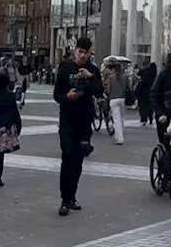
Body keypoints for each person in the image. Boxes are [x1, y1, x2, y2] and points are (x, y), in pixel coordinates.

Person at [54, 37, 102, 216]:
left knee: (78, 160)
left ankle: (72, 195)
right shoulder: (65, 67)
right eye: (80, 52)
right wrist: (67, 96)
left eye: (86, 53)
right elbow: (56, 94)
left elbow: (99, 91)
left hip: (84, 119)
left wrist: (90, 78)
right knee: (67, 157)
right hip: (67, 118)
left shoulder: (93, 70)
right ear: (75, 51)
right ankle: (64, 199)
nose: (82, 55)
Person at [102, 59, 126, 145]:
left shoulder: (111, 77)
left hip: (113, 99)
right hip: (122, 99)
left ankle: (119, 138)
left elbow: (108, 90)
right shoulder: (124, 77)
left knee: (116, 119)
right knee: (121, 119)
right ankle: (118, 135)